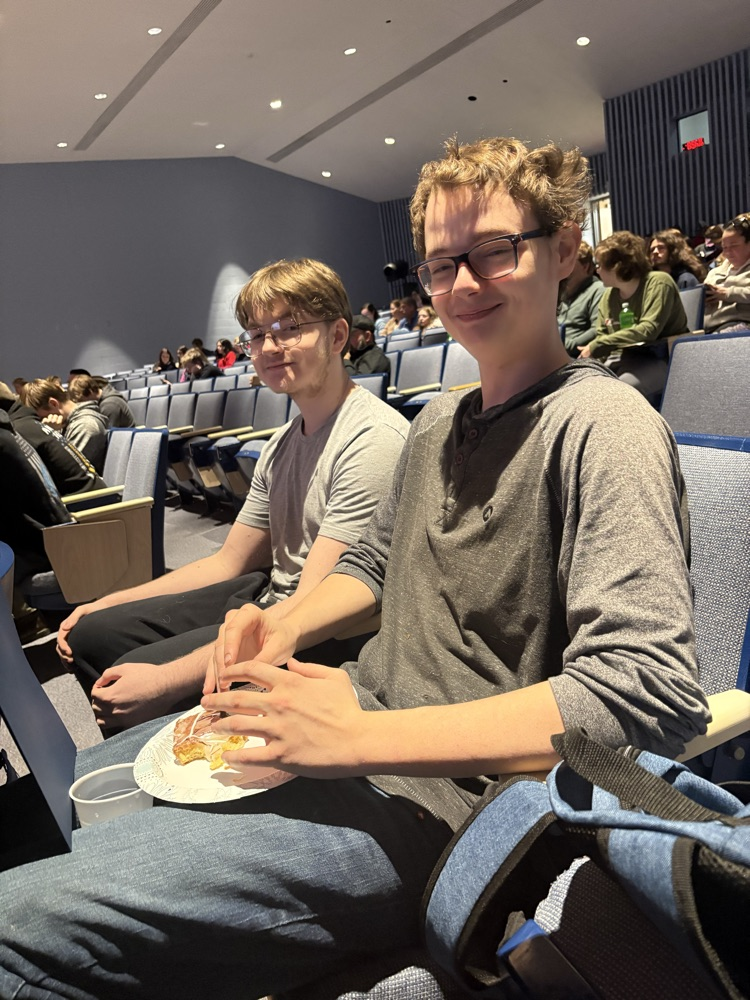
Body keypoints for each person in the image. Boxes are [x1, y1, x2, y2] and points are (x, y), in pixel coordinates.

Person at [0, 138, 709, 1000]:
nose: (462, 283)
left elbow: (645, 692)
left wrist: (357, 741)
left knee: (19, 931)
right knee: (89, 797)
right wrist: (283, 621)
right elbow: (374, 562)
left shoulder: (605, 425)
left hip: (450, 804)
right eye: (442, 264)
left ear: (562, 251)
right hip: (355, 717)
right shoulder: (441, 419)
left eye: (493, 249)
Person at [57, 258, 408, 730]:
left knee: (147, 678)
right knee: (93, 632)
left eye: (289, 328)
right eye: (258, 334)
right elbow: (228, 563)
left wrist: (166, 680)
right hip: (271, 598)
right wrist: (108, 601)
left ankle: (165, 759)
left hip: (324, 635)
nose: (270, 346)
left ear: (338, 336)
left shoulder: (371, 440)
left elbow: (313, 607)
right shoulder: (282, 443)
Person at [579, 230, 688, 400]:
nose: (597, 270)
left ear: (618, 266)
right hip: (626, 359)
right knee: (585, 387)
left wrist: (595, 346)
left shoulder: (659, 282)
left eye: (600, 265)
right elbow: (603, 335)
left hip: (664, 359)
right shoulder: (609, 295)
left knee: (617, 394)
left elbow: (648, 330)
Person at [0, 382, 105, 495]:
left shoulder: (86, 425)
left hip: (91, 502)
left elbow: (73, 465)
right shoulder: (50, 427)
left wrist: (48, 432)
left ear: (53, 404)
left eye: (39, 417)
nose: (38, 421)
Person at [24, 376, 109, 473]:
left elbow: (66, 472)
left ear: (53, 404)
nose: (42, 421)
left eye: (41, 417)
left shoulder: (86, 426)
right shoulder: (64, 424)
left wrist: (50, 436)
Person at [703, 213, 750, 332]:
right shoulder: (715, 272)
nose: (727, 252)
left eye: (734, 246)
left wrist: (728, 293)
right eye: (724, 247)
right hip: (709, 328)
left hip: (741, 325)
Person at [558, 240, 604, 355]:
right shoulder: (562, 292)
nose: (564, 268)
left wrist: (566, 345)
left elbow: (597, 329)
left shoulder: (598, 290)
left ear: (585, 266)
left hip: (576, 357)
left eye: (571, 263)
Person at [70, 374, 136, 429]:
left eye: (82, 400)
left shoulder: (109, 405)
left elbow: (107, 434)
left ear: (90, 392)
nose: (81, 403)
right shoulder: (103, 399)